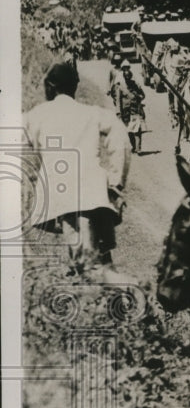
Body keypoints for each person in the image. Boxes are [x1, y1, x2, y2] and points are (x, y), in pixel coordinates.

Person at [23, 62, 130, 269]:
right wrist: (116, 181)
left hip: (63, 194)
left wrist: (31, 176)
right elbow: (121, 138)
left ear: (51, 86)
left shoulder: (38, 114)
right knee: (98, 257)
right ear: (74, 87)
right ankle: (108, 293)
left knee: (82, 259)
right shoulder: (92, 113)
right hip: (94, 191)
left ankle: (97, 293)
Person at [117, 65, 148, 153]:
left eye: (129, 77)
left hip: (135, 110)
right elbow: (118, 101)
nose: (127, 78)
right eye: (126, 77)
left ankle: (138, 148)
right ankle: (134, 146)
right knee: (129, 130)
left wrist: (138, 97)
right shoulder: (120, 86)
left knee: (137, 129)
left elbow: (143, 95)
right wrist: (118, 112)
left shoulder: (135, 85)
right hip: (125, 111)